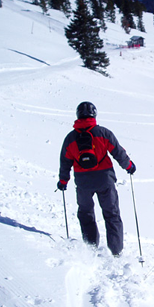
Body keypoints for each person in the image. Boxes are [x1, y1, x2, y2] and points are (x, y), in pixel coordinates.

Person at [57, 101, 136, 256]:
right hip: (105, 179)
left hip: (83, 181)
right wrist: (129, 166)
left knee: (86, 213)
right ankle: (116, 252)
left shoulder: (70, 138)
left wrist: (63, 181)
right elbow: (118, 152)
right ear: (94, 114)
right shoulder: (103, 133)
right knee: (111, 214)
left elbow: (65, 162)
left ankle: (91, 248)